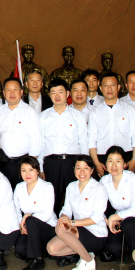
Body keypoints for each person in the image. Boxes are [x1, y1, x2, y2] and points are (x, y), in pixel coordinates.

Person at [46, 155, 108, 270]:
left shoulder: (99, 189)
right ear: (74, 170)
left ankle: (88, 261)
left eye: (86, 168)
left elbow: (97, 218)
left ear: (92, 170)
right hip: (77, 230)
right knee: (52, 249)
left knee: (60, 230)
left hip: (95, 233)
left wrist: (72, 223)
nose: (82, 172)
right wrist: (63, 218)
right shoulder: (71, 187)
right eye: (78, 168)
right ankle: (86, 253)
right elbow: (66, 209)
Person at [99, 146, 135, 270]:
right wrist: (107, 220)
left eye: (118, 161)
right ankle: (127, 249)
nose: (114, 165)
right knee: (113, 248)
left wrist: (114, 217)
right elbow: (97, 207)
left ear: (124, 164)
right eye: (110, 161)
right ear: (106, 164)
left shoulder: (133, 179)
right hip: (121, 221)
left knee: (129, 223)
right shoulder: (104, 181)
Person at [39, 78, 88, 213]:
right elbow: (40, 144)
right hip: (51, 164)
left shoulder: (78, 116)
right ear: (49, 95)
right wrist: (40, 168)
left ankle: (75, 225)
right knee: (52, 201)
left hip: (73, 163)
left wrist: (85, 165)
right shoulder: (43, 117)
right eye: (53, 92)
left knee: (76, 200)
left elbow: (83, 141)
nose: (57, 96)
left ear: (67, 94)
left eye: (60, 92)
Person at [88, 74, 135, 176]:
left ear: (119, 87)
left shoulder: (129, 109)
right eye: (106, 85)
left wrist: (134, 159)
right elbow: (91, 139)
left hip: (126, 156)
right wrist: (97, 163)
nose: (109, 89)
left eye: (112, 85)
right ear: (101, 88)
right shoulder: (95, 112)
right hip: (102, 158)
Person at [0, 77, 42, 188]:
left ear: (21, 92)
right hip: (3, 163)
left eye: (15, 90)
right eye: (8, 90)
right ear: (4, 93)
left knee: (22, 193)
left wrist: (31, 165)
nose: (12, 93)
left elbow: (36, 140)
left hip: (23, 163)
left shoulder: (30, 112)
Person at [13, 157, 57, 270]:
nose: (27, 174)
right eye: (23, 170)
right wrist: (21, 225)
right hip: (29, 227)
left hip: (47, 228)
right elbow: (16, 210)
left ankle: (37, 260)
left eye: (31, 170)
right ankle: (43, 250)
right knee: (20, 249)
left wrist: (28, 218)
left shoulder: (47, 187)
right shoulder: (19, 187)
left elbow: (47, 214)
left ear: (38, 171)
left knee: (31, 221)